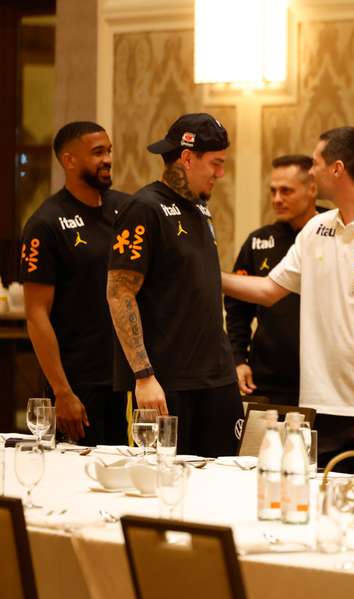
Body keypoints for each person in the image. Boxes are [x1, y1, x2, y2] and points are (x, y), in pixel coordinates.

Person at [221, 126, 354, 472]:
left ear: (337, 169)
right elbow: (269, 291)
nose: (311, 171)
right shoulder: (316, 230)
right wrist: (206, 276)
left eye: (316, 163)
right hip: (320, 405)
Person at [106, 113, 243, 457]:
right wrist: (143, 375)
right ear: (186, 158)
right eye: (216, 163)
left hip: (216, 378)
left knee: (224, 483)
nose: (220, 174)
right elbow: (120, 293)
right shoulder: (144, 208)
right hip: (166, 385)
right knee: (163, 489)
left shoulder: (200, 208)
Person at [20, 121, 130, 445]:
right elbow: (36, 314)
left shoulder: (125, 209)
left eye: (108, 151)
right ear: (69, 161)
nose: (107, 159)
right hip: (77, 384)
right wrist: (62, 391)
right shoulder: (46, 222)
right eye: (97, 153)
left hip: (122, 379)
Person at [225, 154, 323, 406]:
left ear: (312, 189)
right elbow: (237, 309)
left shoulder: (334, 233)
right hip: (269, 380)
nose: (277, 199)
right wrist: (238, 359)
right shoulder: (259, 241)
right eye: (273, 191)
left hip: (326, 380)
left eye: (286, 191)